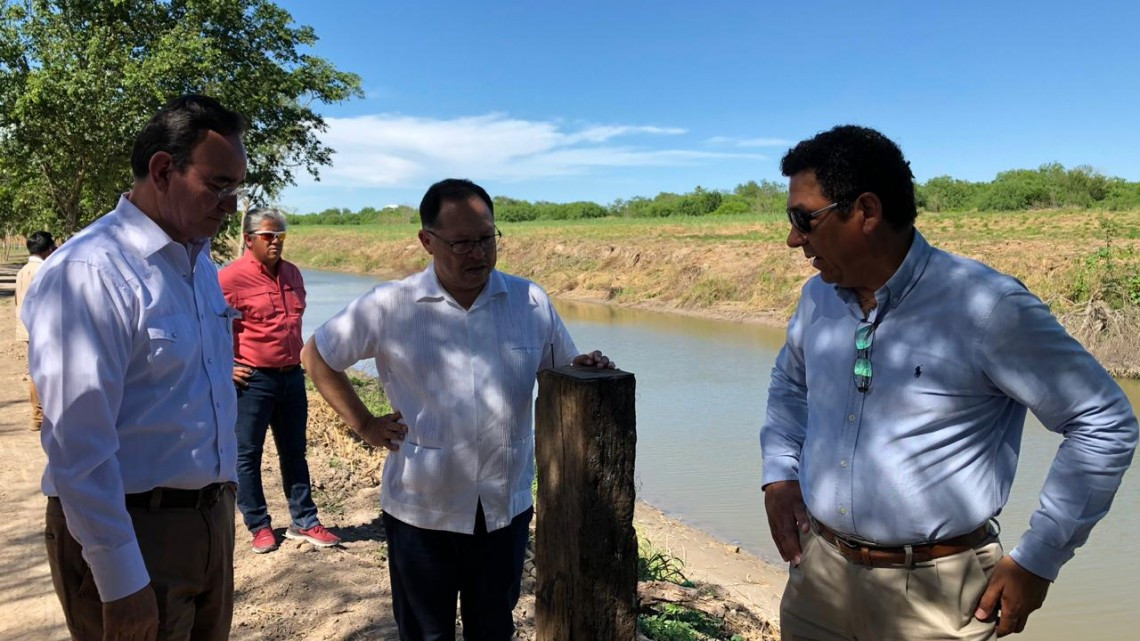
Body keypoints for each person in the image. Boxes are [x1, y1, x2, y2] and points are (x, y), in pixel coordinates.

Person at [760, 125, 1138, 641]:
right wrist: (780, 473)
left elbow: (1104, 422)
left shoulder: (986, 308)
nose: (793, 238)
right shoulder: (818, 298)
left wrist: (1038, 560)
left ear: (866, 212)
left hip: (936, 598)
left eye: (804, 219)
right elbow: (789, 383)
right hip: (818, 579)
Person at [301, 178, 614, 641]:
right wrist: (365, 423)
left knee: (493, 629)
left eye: (487, 239)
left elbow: (559, 371)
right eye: (462, 243)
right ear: (427, 241)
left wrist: (586, 366)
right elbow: (317, 356)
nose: (479, 254)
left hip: (503, 507)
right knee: (426, 634)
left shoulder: (529, 301)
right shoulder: (391, 305)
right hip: (421, 510)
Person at [22, 94, 247, 641]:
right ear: (164, 170)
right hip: (132, 533)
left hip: (208, 524)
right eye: (218, 185)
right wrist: (119, 580)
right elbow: (78, 444)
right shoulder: (89, 272)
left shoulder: (197, 266)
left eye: (237, 190)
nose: (230, 204)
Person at [219, 207, 340, 553]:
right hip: (252, 380)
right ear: (249, 239)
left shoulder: (292, 274)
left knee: (295, 452)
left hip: (291, 377)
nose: (276, 243)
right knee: (247, 455)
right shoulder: (229, 279)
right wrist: (225, 365)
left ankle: (304, 521)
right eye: (269, 236)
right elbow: (206, 326)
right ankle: (259, 525)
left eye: (281, 236)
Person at [14, 230, 56, 431]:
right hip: (42, 327)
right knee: (45, 370)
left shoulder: (23, 271)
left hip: (26, 327)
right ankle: (40, 415)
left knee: (34, 369)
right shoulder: (44, 270)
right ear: (48, 250)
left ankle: (37, 414)